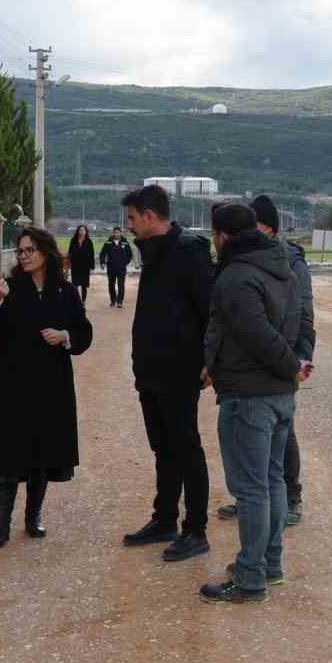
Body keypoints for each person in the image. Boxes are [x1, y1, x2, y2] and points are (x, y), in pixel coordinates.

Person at [199, 202, 311, 604]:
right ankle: (269, 563)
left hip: (249, 396)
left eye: (213, 234)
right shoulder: (281, 267)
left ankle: (250, 577)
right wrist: (294, 365)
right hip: (279, 394)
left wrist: (289, 367)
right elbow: (300, 321)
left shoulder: (236, 276)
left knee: (251, 490)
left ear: (223, 235)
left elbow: (256, 334)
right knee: (273, 480)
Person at [0, 227, 92, 549]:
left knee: (43, 450)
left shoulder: (65, 292)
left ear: (45, 252)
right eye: (20, 251)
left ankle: (33, 516)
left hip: (51, 383)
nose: (23, 256)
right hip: (11, 383)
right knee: (8, 454)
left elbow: (84, 332)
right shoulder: (10, 288)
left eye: (29, 250)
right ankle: (0, 526)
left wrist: (65, 336)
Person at [119, 184, 215, 561]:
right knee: (163, 448)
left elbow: (210, 310)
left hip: (179, 369)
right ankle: (164, 520)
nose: (128, 225)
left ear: (149, 216)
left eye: (131, 218)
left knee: (186, 448)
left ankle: (196, 530)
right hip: (151, 370)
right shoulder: (153, 252)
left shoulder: (188, 251)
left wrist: (210, 359)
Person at [218, 194, 314, 526]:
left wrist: (299, 360)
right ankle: (251, 500)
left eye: (253, 224)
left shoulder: (290, 262)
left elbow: (304, 314)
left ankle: (291, 497)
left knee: (282, 438)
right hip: (250, 368)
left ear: (268, 227)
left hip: (281, 364)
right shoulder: (242, 261)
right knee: (251, 442)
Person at [99, 226, 134, 308]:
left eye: (118, 232)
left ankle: (120, 302)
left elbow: (130, 254)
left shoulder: (125, 243)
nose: (116, 234)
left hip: (121, 268)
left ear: (120, 233)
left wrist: (125, 262)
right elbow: (102, 253)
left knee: (121, 284)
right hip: (111, 268)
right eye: (115, 232)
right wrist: (102, 262)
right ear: (113, 233)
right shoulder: (108, 243)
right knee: (111, 285)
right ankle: (113, 300)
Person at [66, 225, 95, 305]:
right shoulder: (73, 240)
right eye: (80, 230)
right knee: (75, 284)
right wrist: (68, 265)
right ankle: (76, 300)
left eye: (83, 230)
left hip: (85, 266)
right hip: (75, 266)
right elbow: (70, 253)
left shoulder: (89, 241)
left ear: (86, 232)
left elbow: (92, 255)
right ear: (78, 231)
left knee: (84, 285)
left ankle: (83, 301)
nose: (82, 232)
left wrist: (92, 268)